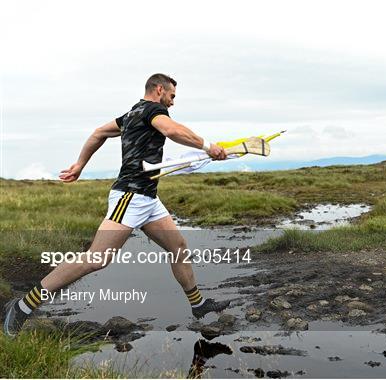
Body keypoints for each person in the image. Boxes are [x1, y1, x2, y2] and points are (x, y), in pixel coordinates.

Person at [3, 73, 231, 337]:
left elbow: (99, 132)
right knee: (96, 259)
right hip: (130, 196)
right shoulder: (154, 111)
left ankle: (199, 305)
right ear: (159, 89)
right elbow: (172, 130)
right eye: (172, 96)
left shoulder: (132, 114)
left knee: (178, 246)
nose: (172, 103)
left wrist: (80, 164)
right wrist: (207, 146)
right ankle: (23, 306)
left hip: (148, 198)